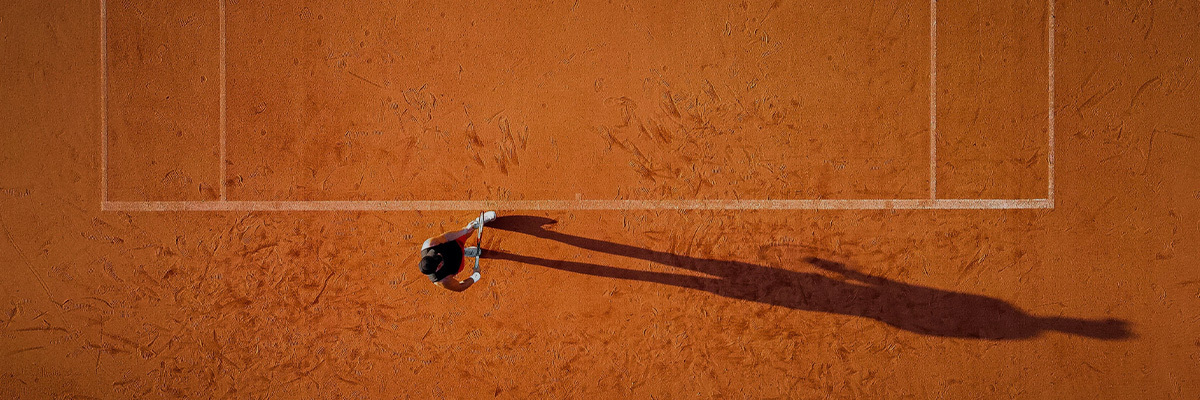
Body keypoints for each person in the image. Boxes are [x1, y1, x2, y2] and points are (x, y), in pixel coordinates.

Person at [418, 211, 496, 291]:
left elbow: (447, 237)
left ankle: (478, 221)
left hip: (454, 245)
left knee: (466, 233)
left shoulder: (430, 244)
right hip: (457, 264)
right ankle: (464, 252)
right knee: (461, 257)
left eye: (437, 256)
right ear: (436, 270)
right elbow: (460, 287)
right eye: (439, 264)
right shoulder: (442, 280)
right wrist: (475, 276)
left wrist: (465, 230)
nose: (440, 259)